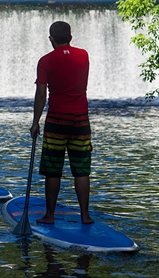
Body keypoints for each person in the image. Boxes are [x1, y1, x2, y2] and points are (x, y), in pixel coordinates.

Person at [30, 21, 94, 224]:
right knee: (81, 169)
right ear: (71, 37)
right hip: (81, 120)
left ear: (51, 39)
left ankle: (50, 215)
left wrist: (35, 122)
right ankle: (85, 216)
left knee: (53, 169)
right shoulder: (83, 55)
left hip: (56, 120)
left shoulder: (45, 61)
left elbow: (41, 94)